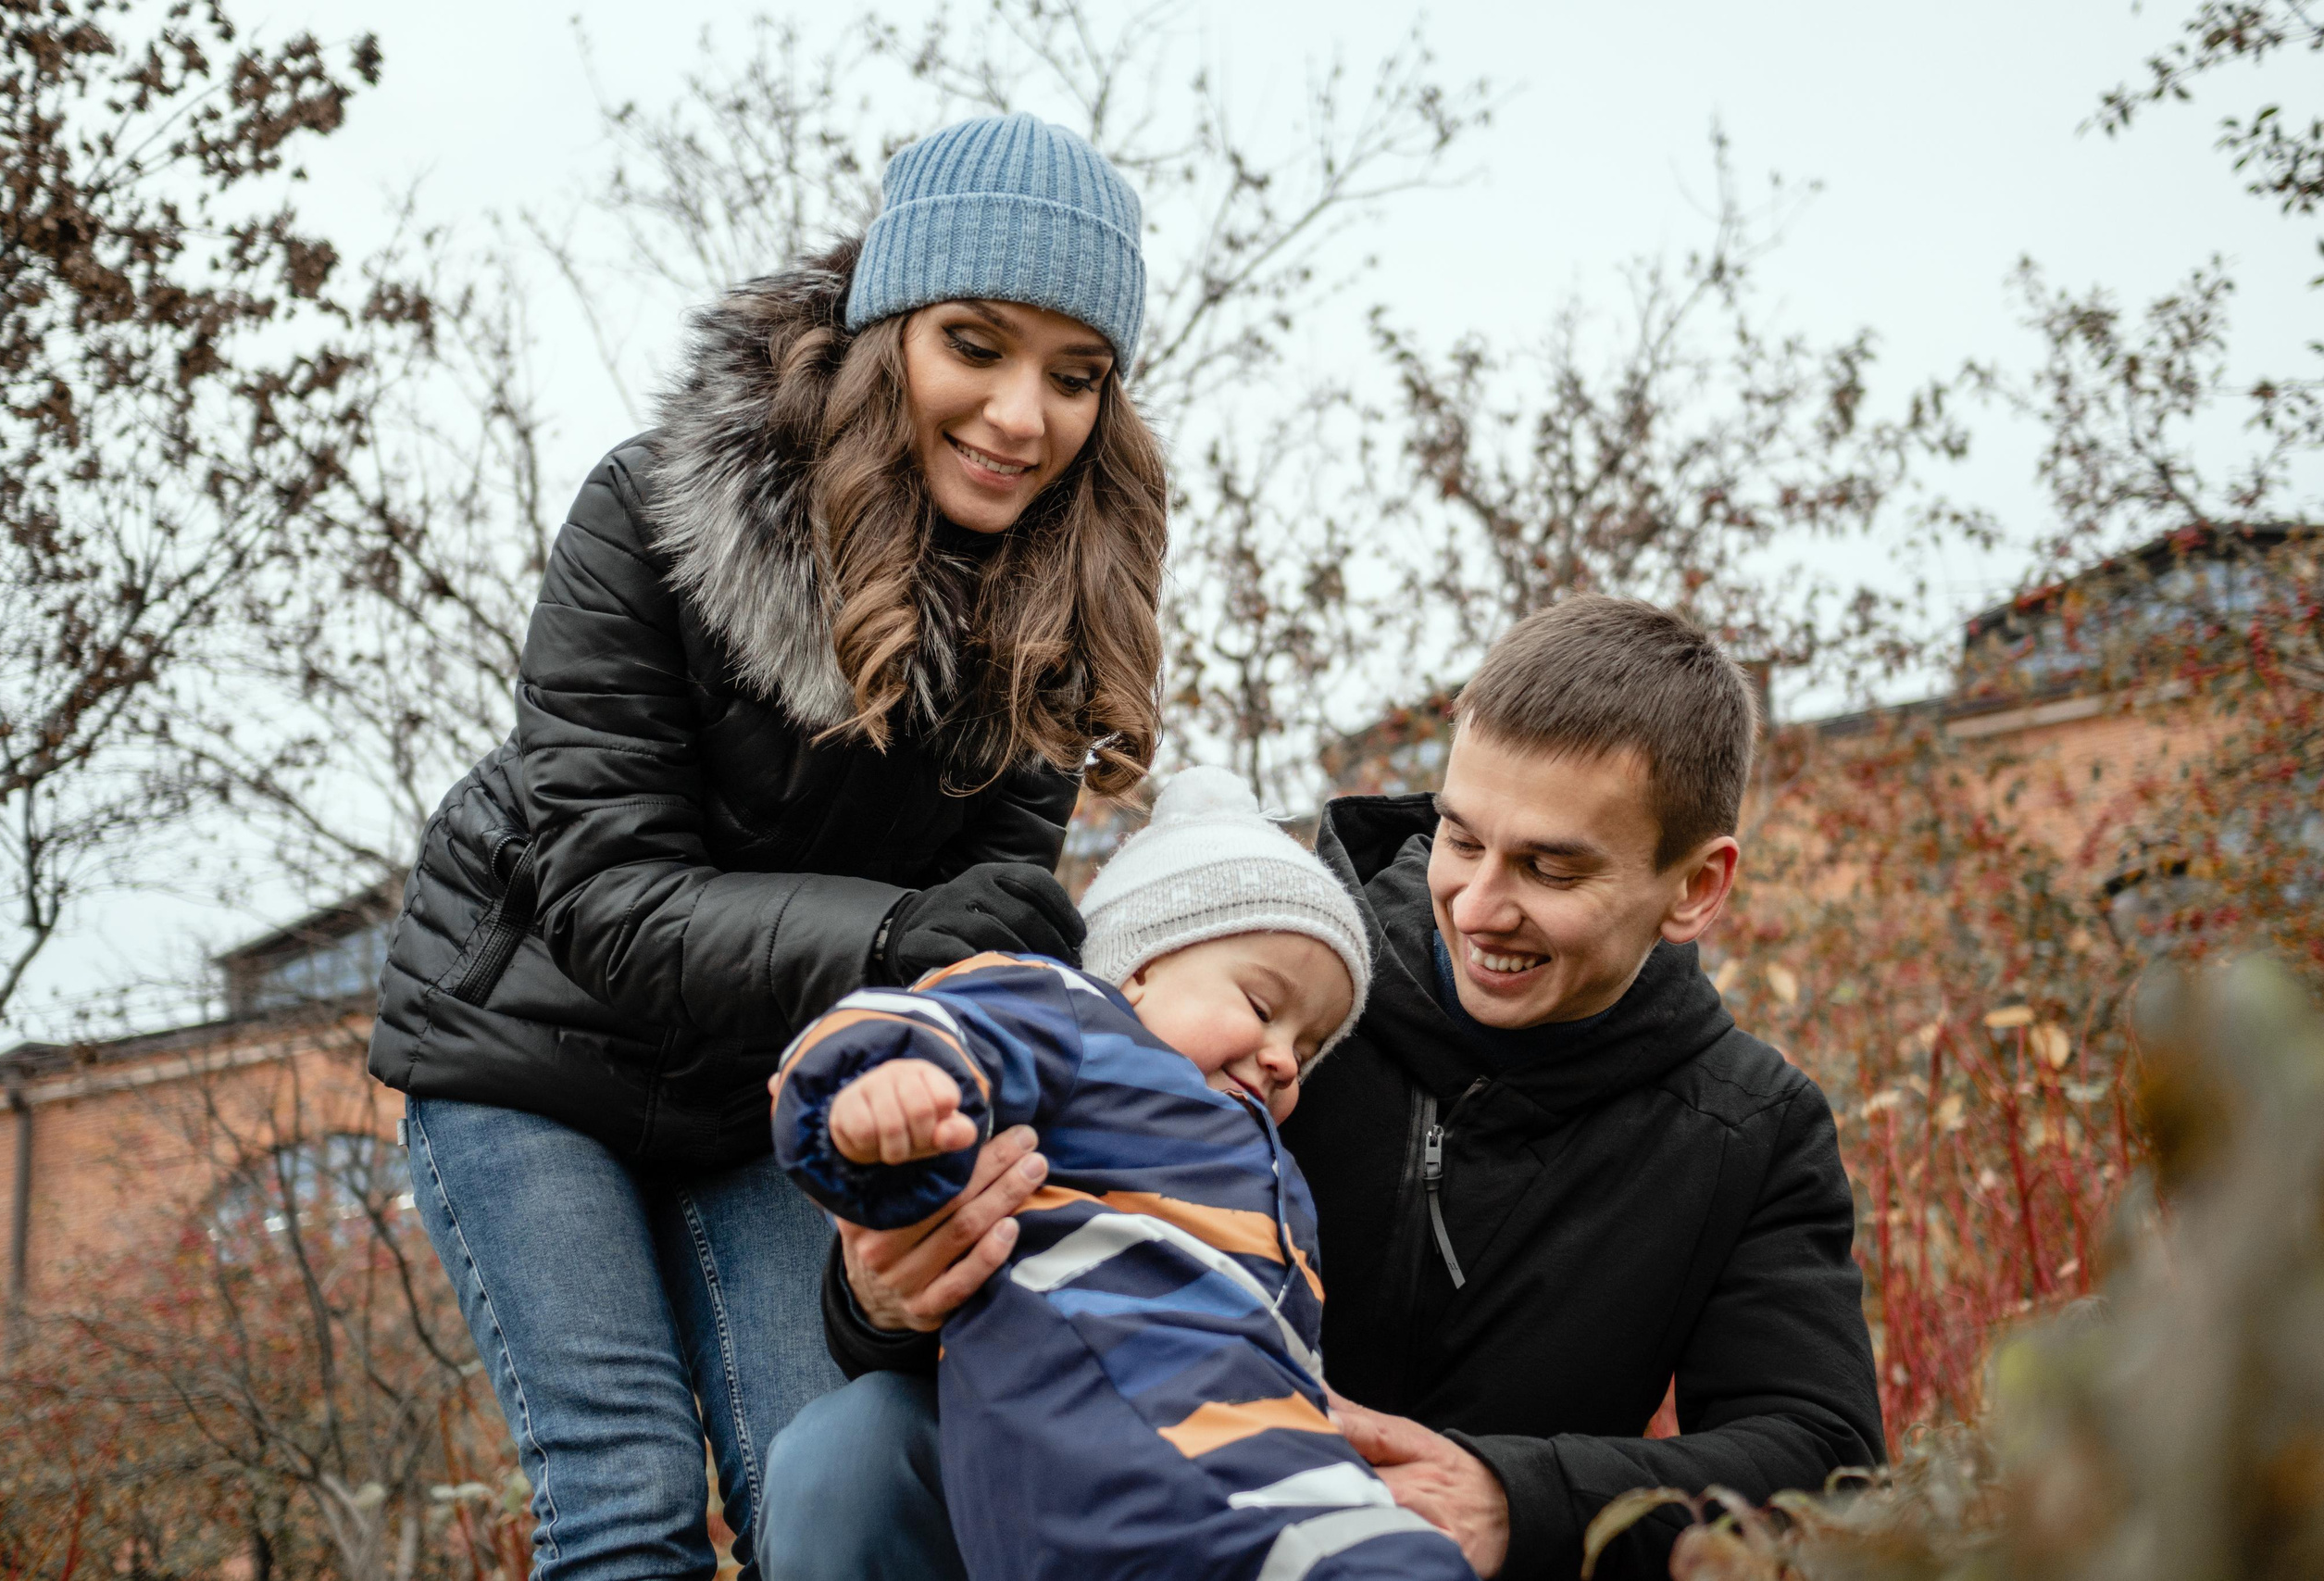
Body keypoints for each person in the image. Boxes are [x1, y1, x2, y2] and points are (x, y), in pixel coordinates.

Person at [366, 111, 1167, 1579]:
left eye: (1075, 374)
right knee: (629, 1500)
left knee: (814, 1468)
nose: (1019, 413)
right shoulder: (655, 513)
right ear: (888, 336)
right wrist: (890, 937)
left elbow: (985, 927)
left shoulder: (1059, 628)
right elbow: (606, 893)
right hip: (528, 1042)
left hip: (768, 1096)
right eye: (975, 345)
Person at [759, 597, 1886, 1581]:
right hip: (1123, 1505)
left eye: (1550, 867)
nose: (1479, 904)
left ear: (1695, 887)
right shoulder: (1253, 978)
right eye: (1460, 837)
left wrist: (1517, 1499)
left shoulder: (1751, 1132)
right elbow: (991, 1220)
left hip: (1417, 1556)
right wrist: (884, 1297)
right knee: (852, 1453)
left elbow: (1821, 1459)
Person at [770, 767, 1476, 1581]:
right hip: (1105, 1448)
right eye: (1259, 1004)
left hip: (1250, 1457)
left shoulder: (1275, 1180)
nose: (1284, 1057)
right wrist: (885, 1093)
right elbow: (937, 1019)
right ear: (1138, 970)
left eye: (1309, 1050)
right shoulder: (1074, 1018)